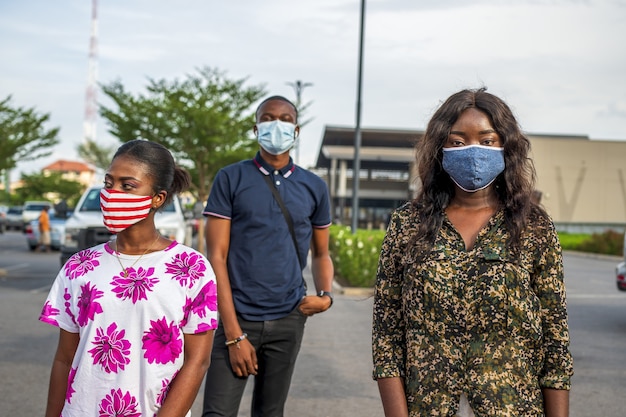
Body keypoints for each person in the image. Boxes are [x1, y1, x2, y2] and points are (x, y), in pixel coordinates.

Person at [372, 88, 573, 417]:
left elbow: (555, 339)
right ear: (440, 148)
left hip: (513, 408)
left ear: (506, 147)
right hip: (429, 408)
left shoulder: (534, 227)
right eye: (457, 141)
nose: (473, 151)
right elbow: (387, 336)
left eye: (487, 140)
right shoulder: (407, 225)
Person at [40, 140, 218, 417]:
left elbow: (197, 361)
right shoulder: (79, 266)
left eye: (127, 185)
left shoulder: (191, 268)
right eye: (108, 183)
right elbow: (64, 359)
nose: (112, 193)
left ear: (158, 198)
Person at [201, 95, 334, 417]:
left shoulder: (314, 186)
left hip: (289, 319)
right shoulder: (231, 178)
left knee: (270, 412)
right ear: (255, 127)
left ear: (297, 130)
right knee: (217, 413)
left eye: (286, 119)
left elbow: (321, 253)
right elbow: (215, 257)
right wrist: (233, 336)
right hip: (238, 317)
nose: (277, 124)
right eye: (269, 117)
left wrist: (326, 296)